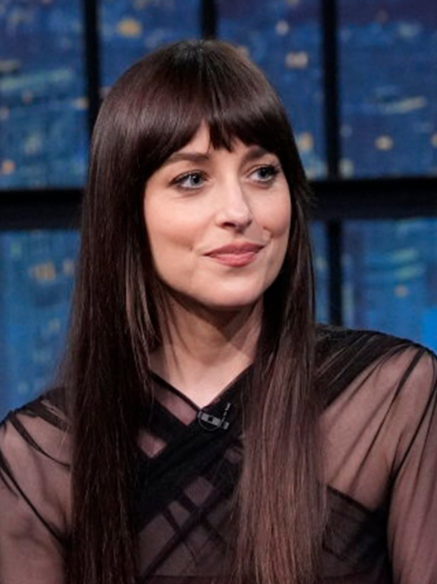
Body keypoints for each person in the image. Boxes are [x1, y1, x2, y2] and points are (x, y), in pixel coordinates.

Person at [0, 39, 436, 584]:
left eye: (262, 173)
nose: (238, 211)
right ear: (127, 213)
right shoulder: (40, 460)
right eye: (192, 179)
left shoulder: (391, 400)